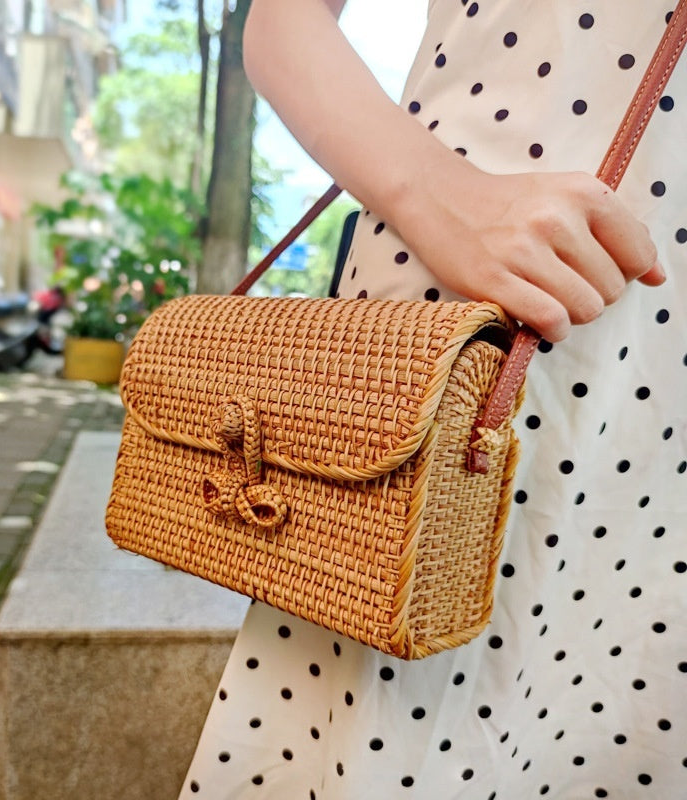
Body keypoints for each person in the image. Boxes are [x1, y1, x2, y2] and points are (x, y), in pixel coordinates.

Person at [179, 1, 686, 797]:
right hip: (487, 294)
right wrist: (437, 195)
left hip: (633, 348)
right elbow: (282, 20)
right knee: (394, 721)